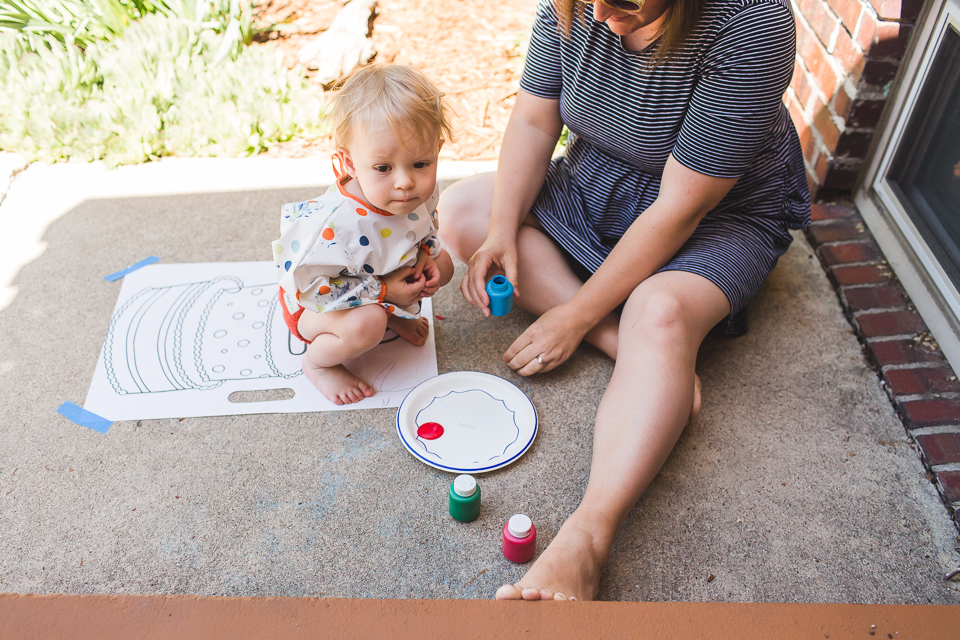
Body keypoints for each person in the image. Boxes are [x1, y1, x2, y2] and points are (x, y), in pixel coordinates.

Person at [440, 0, 809, 600]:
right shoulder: (575, 4)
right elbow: (536, 122)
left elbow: (680, 207)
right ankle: (634, 354)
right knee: (464, 214)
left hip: (716, 214)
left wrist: (574, 314)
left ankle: (587, 539)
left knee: (658, 313)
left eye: (628, 4)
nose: (604, 17)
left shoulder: (750, 21)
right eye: (591, 1)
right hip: (601, 180)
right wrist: (504, 230)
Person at [274, 64, 455, 405]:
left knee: (445, 266)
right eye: (383, 168)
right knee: (367, 324)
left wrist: (427, 255)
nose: (405, 182)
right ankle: (318, 365)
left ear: (436, 151)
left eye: (420, 164)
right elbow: (314, 290)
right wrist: (385, 291)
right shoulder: (334, 226)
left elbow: (423, 228)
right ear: (350, 164)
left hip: (376, 279)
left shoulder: (420, 192)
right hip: (315, 304)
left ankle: (392, 311)